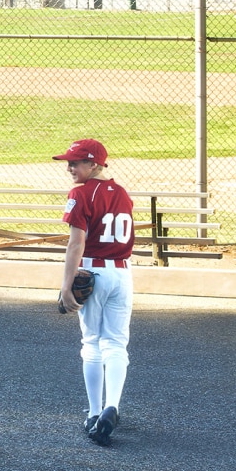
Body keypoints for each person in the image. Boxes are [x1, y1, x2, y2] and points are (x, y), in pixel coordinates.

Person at [54, 138, 135, 446]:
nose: (69, 167)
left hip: (94, 271)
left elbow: (77, 243)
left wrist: (66, 283)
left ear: (94, 164)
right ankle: (112, 405)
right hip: (123, 273)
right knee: (116, 343)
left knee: (92, 343)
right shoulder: (122, 193)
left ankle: (94, 412)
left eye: (75, 162)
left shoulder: (81, 193)